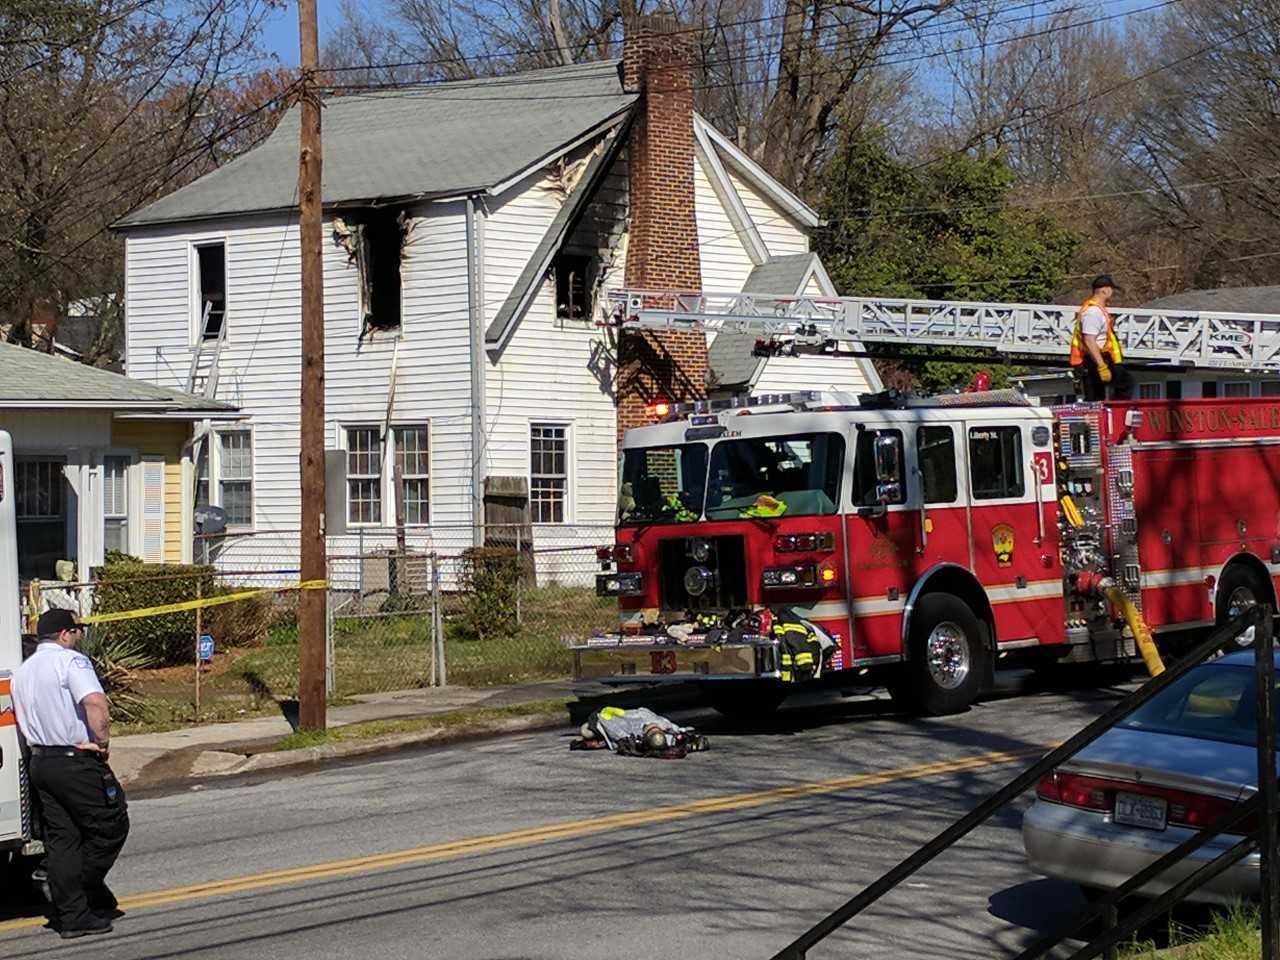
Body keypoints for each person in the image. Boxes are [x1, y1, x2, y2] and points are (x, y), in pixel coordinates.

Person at [12, 609, 128, 940]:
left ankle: (74, 915)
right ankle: (78, 889)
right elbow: (94, 702)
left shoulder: (24, 671)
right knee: (111, 825)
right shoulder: (72, 662)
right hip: (74, 759)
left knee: (63, 838)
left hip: (41, 762)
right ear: (65, 634)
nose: (79, 636)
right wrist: (102, 742)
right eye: (76, 630)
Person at [1070, 275, 1133, 401]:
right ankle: (1115, 413)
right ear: (1104, 290)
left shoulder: (1097, 310)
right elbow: (1089, 340)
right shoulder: (1093, 312)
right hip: (1093, 359)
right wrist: (1101, 366)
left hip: (1100, 357)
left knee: (1120, 384)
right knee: (1099, 396)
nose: (1112, 292)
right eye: (1111, 289)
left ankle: (1113, 413)